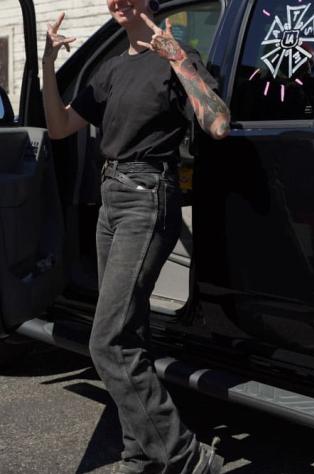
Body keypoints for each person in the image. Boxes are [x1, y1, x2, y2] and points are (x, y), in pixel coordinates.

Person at [41, 1, 231, 473]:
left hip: (148, 197)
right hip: (111, 200)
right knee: (130, 335)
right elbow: (60, 126)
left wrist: (177, 60)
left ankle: (185, 457)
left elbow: (218, 123)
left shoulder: (174, 56)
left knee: (106, 342)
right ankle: (141, 454)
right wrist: (46, 66)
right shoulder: (109, 69)